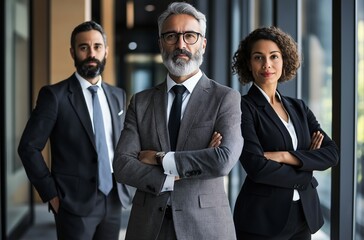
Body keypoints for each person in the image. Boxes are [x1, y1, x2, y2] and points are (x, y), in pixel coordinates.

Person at [112, 2, 243, 240]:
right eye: (171, 36)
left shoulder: (225, 98)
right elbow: (122, 165)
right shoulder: (141, 101)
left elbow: (223, 160)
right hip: (148, 227)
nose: (181, 44)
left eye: (190, 36)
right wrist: (173, 177)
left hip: (205, 227)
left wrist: (160, 158)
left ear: (203, 43)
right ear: (161, 43)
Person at [18, 21, 132, 240]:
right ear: (73, 52)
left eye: (97, 47)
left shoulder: (118, 95)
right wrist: (50, 194)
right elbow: (28, 147)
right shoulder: (55, 96)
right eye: (84, 47)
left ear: (106, 51)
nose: (91, 54)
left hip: (114, 199)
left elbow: (121, 142)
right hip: (72, 202)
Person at [231, 26, 339, 240]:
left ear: (284, 60)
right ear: (248, 64)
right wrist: (307, 165)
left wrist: (284, 156)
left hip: (303, 215)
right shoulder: (243, 107)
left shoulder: (298, 107)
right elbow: (257, 167)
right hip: (262, 219)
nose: (267, 65)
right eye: (258, 57)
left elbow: (332, 153)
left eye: (274, 56)